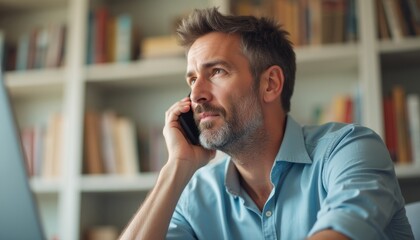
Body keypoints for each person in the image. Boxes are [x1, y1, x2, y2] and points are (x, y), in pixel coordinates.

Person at [120, 8, 414, 240]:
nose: (196, 95)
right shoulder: (197, 193)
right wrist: (176, 167)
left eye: (217, 71)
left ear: (270, 84)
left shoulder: (350, 150)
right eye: (193, 79)